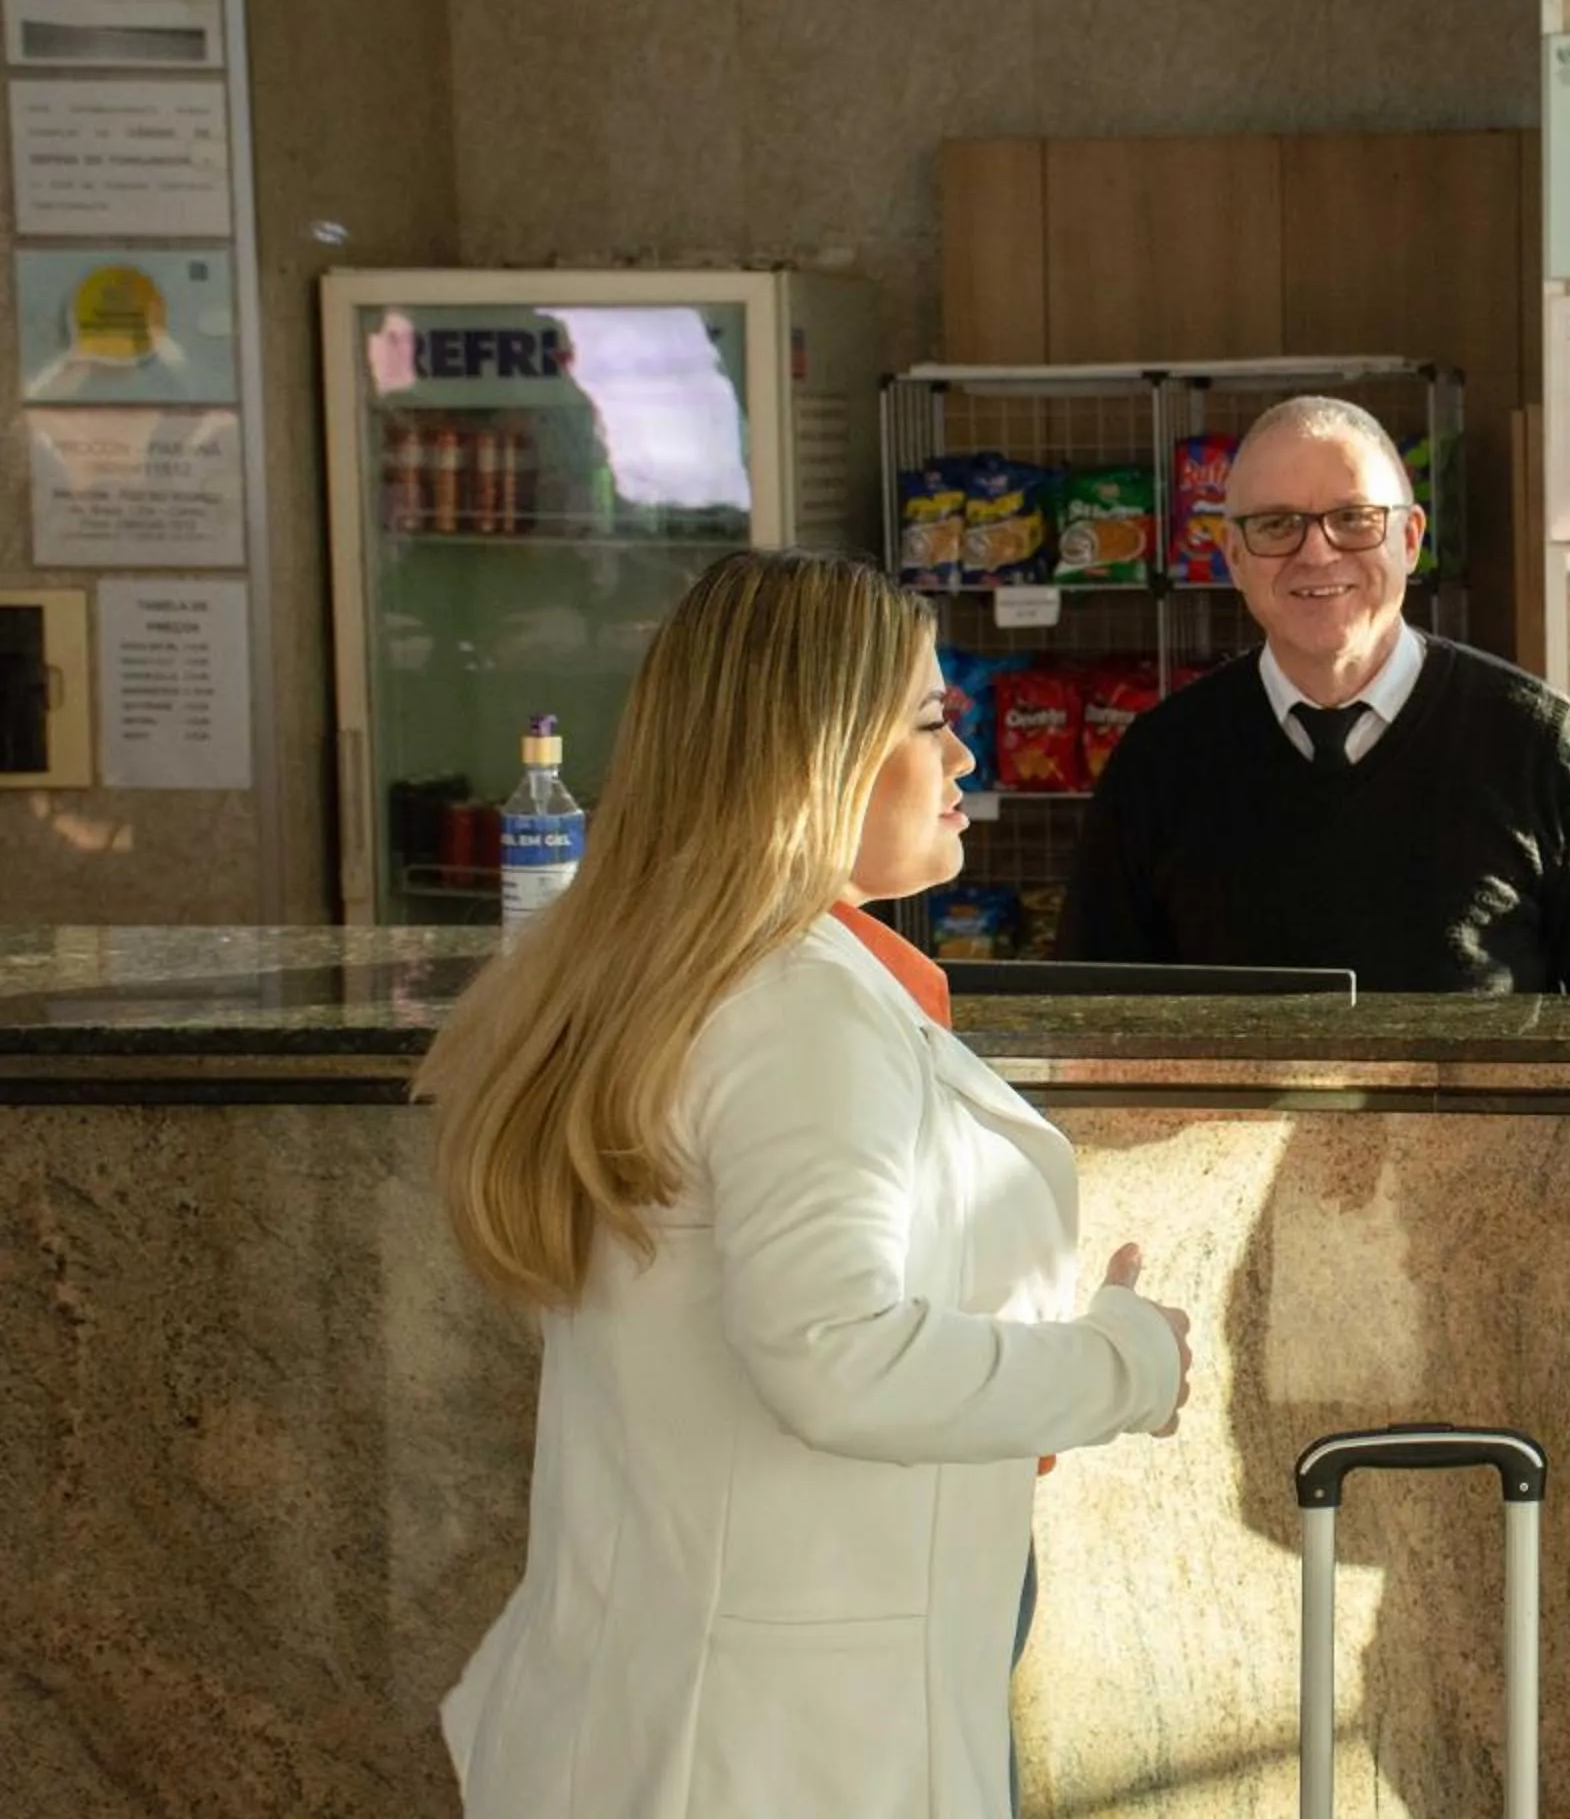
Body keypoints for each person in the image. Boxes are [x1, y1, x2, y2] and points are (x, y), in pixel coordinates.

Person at [420, 550, 1192, 1818]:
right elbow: (837, 1354)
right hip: (775, 1742)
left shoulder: (685, 976)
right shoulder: (792, 1010)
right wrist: (1126, 1362)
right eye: (934, 721)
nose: (966, 760)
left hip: (694, 1707)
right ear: (815, 754)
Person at [1059, 394, 1570, 993]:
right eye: (1276, 525)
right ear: (1234, 556)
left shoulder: (1539, 744)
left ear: (1410, 539)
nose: (1317, 551)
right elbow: (1087, 1022)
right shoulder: (1160, 761)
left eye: (1354, 519)